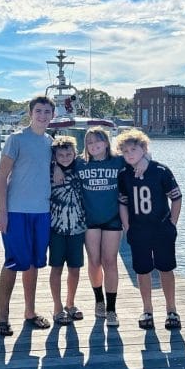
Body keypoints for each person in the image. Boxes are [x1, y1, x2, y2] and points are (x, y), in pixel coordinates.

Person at [0, 96, 55, 336]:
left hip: (42, 212)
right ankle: (2, 317)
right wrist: (2, 212)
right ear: (31, 113)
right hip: (17, 211)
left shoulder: (51, 142)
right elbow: (1, 177)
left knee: (33, 264)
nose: (42, 116)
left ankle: (30, 312)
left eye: (47, 112)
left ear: (52, 115)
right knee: (13, 262)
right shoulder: (16, 140)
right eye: (38, 111)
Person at [116, 129, 183, 330]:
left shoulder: (161, 171)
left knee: (165, 268)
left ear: (144, 149)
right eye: (125, 151)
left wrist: (172, 222)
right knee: (142, 270)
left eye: (133, 149)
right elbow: (123, 203)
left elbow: (176, 198)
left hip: (161, 228)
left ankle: (171, 309)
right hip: (139, 230)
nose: (129, 154)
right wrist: (127, 227)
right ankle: (147, 309)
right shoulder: (124, 175)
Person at [76, 127, 126, 327]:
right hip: (90, 219)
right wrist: (56, 168)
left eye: (98, 141)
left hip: (112, 219)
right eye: (89, 142)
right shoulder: (80, 163)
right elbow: (59, 161)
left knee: (110, 261)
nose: (94, 145)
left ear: (106, 142)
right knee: (94, 261)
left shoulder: (118, 161)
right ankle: (99, 300)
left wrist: (145, 161)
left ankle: (112, 309)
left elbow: (142, 154)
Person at [48, 136, 87, 325]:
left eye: (69, 154)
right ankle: (57, 306)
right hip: (56, 228)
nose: (65, 157)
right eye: (61, 155)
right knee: (56, 268)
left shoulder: (81, 168)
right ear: (55, 156)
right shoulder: (49, 170)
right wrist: (55, 166)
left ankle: (70, 303)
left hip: (78, 228)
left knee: (75, 268)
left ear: (75, 153)